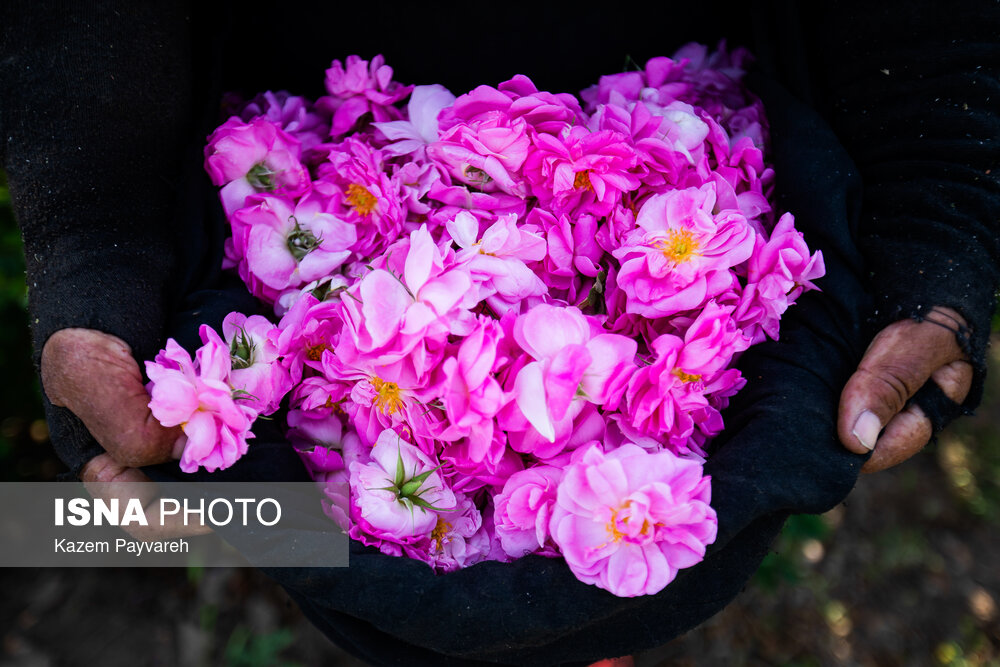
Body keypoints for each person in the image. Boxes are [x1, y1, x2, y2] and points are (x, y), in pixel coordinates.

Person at [3, 2, 998, 665]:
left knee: (587, 615)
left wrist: (935, 242)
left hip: (687, 109)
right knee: (358, 573)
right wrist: (97, 240)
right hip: (304, 164)